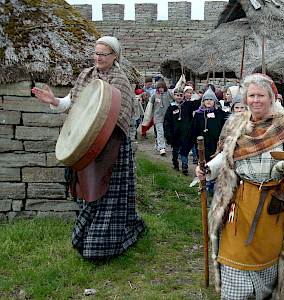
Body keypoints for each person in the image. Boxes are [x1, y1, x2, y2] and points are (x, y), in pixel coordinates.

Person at [195, 73, 284, 300]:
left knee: (268, 257)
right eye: (251, 95)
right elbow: (226, 156)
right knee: (234, 254)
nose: (255, 100)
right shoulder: (238, 124)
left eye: (260, 95)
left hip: (274, 205)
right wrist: (208, 169)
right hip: (241, 202)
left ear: (272, 98)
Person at [32, 36, 145, 259]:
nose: (98, 57)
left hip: (112, 149)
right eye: (96, 53)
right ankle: (86, 234)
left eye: (103, 54)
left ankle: (105, 244)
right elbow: (74, 105)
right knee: (92, 192)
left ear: (114, 56)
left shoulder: (119, 80)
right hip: (89, 147)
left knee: (111, 194)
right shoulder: (86, 75)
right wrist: (55, 101)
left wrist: (98, 136)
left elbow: (119, 117)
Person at [191, 88, 227, 193]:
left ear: (214, 101)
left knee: (214, 163)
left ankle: (213, 185)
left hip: (215, 144)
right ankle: (204, 184)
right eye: (206, 100)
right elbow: (194, 130)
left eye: (211, 100)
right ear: (203, 101)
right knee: (203, 163)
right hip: (202, 144)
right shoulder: (198, 114)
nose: (208, 101)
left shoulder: (219, 114)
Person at [165, 87, 200, 175]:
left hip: (186, 133)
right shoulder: (171, 108)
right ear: (174, 96)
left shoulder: (187, 105)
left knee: (184, 150)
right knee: (175, 151)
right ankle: (175, 164)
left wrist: (202, 96)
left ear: (183, 96)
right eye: (177, 95)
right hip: (175, 134)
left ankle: (185, 166)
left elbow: (197, 103)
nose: (179, 97)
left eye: (181, 95)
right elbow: (167, 122)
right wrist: (168, 134)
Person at [148, 80, 171, 156]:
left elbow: (176, 92)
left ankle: (158, 142)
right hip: (157, 117)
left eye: (162, 87)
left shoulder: (168, 94)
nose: (161, 89)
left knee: (165, 133)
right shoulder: (154, 95)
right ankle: (162, 148)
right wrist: (148, 117)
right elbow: (150, 106)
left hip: (167, 118)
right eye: (159, 88)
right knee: (160, 132)